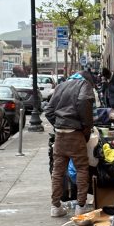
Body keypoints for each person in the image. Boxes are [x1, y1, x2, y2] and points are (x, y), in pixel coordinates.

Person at [45, 70, 95, 217]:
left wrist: (59, 125)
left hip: (60, 135)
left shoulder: (61, 86)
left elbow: (48, 111)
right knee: (81, 169)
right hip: (75, 134)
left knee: (58, 171)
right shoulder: (84, 85)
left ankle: (55, 206)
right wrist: (86, 127)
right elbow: (83, 104)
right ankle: (81, 205)